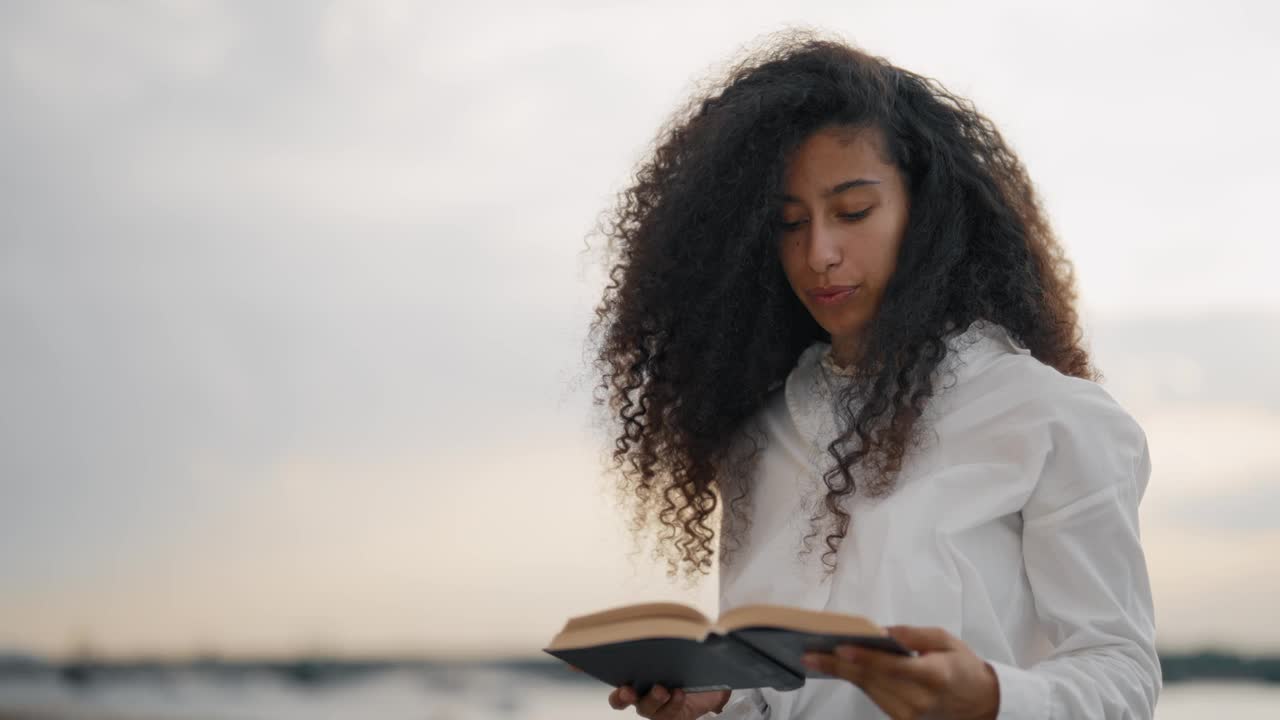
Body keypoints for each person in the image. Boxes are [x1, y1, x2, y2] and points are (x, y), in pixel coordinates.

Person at [578, 29, 1159, 719]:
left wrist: (991, 698)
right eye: (789, 224)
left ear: (928, 211)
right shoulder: (758, 436)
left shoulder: (1055, 419)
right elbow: (787, 691)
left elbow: (1120, 676)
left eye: (853, 212)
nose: (819, 252)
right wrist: (722, 698)